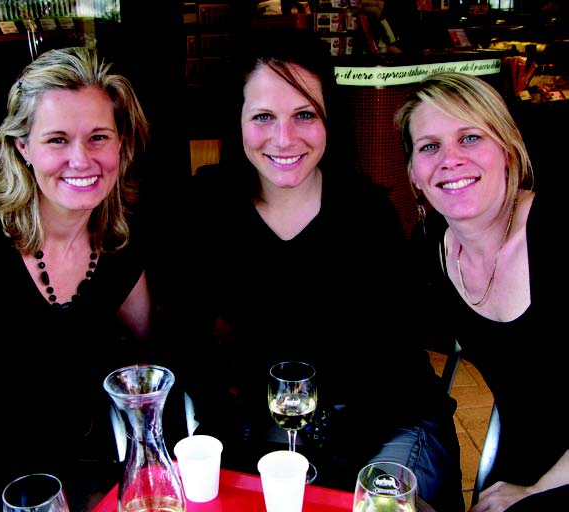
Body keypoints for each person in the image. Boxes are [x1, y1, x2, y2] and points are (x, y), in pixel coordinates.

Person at [166, 27, 464, 512]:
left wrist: (329, 462)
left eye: (305, 114)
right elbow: (185, 342)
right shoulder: (206, 208)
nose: (284, 138)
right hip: (263, 432)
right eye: (263, 116)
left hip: (388, 424)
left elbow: (394, 367)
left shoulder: (366, 212)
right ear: (236, 121)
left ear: (330, 119)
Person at [0, 47, 152, 510]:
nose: (81, 159)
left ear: (122, 144)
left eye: (98, 137)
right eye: (57, 140)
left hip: (82, 480)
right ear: (22, 147)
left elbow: (146, 361)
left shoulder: (120, 241)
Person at [395, 71, 569, 511]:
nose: (449, 160)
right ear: (414, 174)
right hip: (520, 465)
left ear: (508, 150)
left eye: (470, 138)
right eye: (429, 146)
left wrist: (537, 491)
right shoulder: (434, 249)